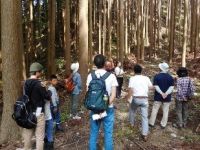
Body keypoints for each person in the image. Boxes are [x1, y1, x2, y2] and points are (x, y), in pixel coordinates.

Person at [86, 54, 118, 150]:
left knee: (93, 133)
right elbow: (113, 95)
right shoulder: (111, 76)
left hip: (94, 108)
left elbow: (88, 93)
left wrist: (97, 106)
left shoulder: (90, 76)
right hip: (108, 109)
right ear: (105, 63)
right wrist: (104, 106)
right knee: (108, 134)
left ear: (95, 64)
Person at [22, 62, 51, 150]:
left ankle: (26, 148)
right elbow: (47, 96)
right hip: (39, 113)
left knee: (28, 134)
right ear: (37, 72)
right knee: (39, 137)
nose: (41, 73)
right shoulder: (39, 84)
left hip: (28, 113)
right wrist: (48, 91)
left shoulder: (25, 83)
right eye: (40, 71)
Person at [126, 64, 153, 141]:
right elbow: (151, 87)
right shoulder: (146, 78)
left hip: (136, 99)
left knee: (132, 111)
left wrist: (128, 98)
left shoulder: (132, 78)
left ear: (134, 71)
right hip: (144, 99)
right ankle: (145, 134)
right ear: (141, 71)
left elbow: (131, 90)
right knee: (145, 117)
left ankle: (131, 124)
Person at [149, 62, 174, 129]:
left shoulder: (157, 76)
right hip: (167, 97)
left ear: (160, 68)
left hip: (158, 96)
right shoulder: (171, 77)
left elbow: (156, 86)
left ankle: (151, 123)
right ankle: (163, 124)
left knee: (155, 109)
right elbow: (171, 87)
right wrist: (166, 94)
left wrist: (161, 93)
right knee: (165, 111)